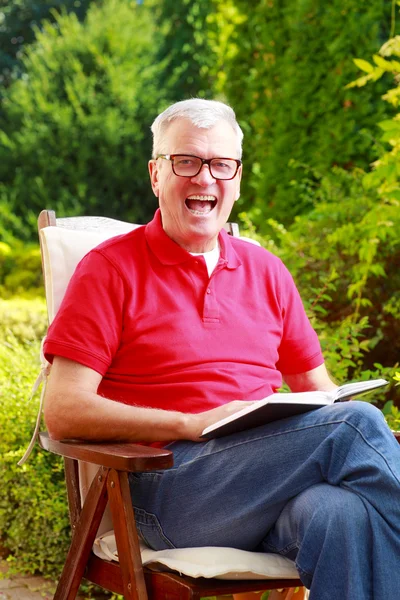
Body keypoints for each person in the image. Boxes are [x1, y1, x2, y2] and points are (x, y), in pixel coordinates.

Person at [43, 99, 400, 600]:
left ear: (236, 177)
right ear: (155, 174)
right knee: (356, 425)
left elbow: (319, 394)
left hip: (265, 490)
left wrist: (368, 439)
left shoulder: (267, 271)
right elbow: (62, 410)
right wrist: (190, 424)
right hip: (170, 488)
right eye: (186, 161)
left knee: (340, 514)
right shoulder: (109, 270)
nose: (204, 178)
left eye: (221, 164)